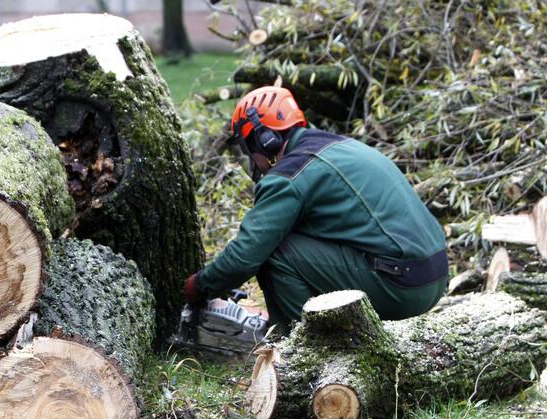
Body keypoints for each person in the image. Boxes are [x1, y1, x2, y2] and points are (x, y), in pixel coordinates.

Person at [184, 86, 448, 334]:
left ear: (265, 140)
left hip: (402, 288)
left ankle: (306, 347)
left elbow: (245, 255)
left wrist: (199, 286)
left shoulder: (290, 175)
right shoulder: (340, 147)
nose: (253, 161)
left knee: (274, 252)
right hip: (433, 276)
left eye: (249, 150)